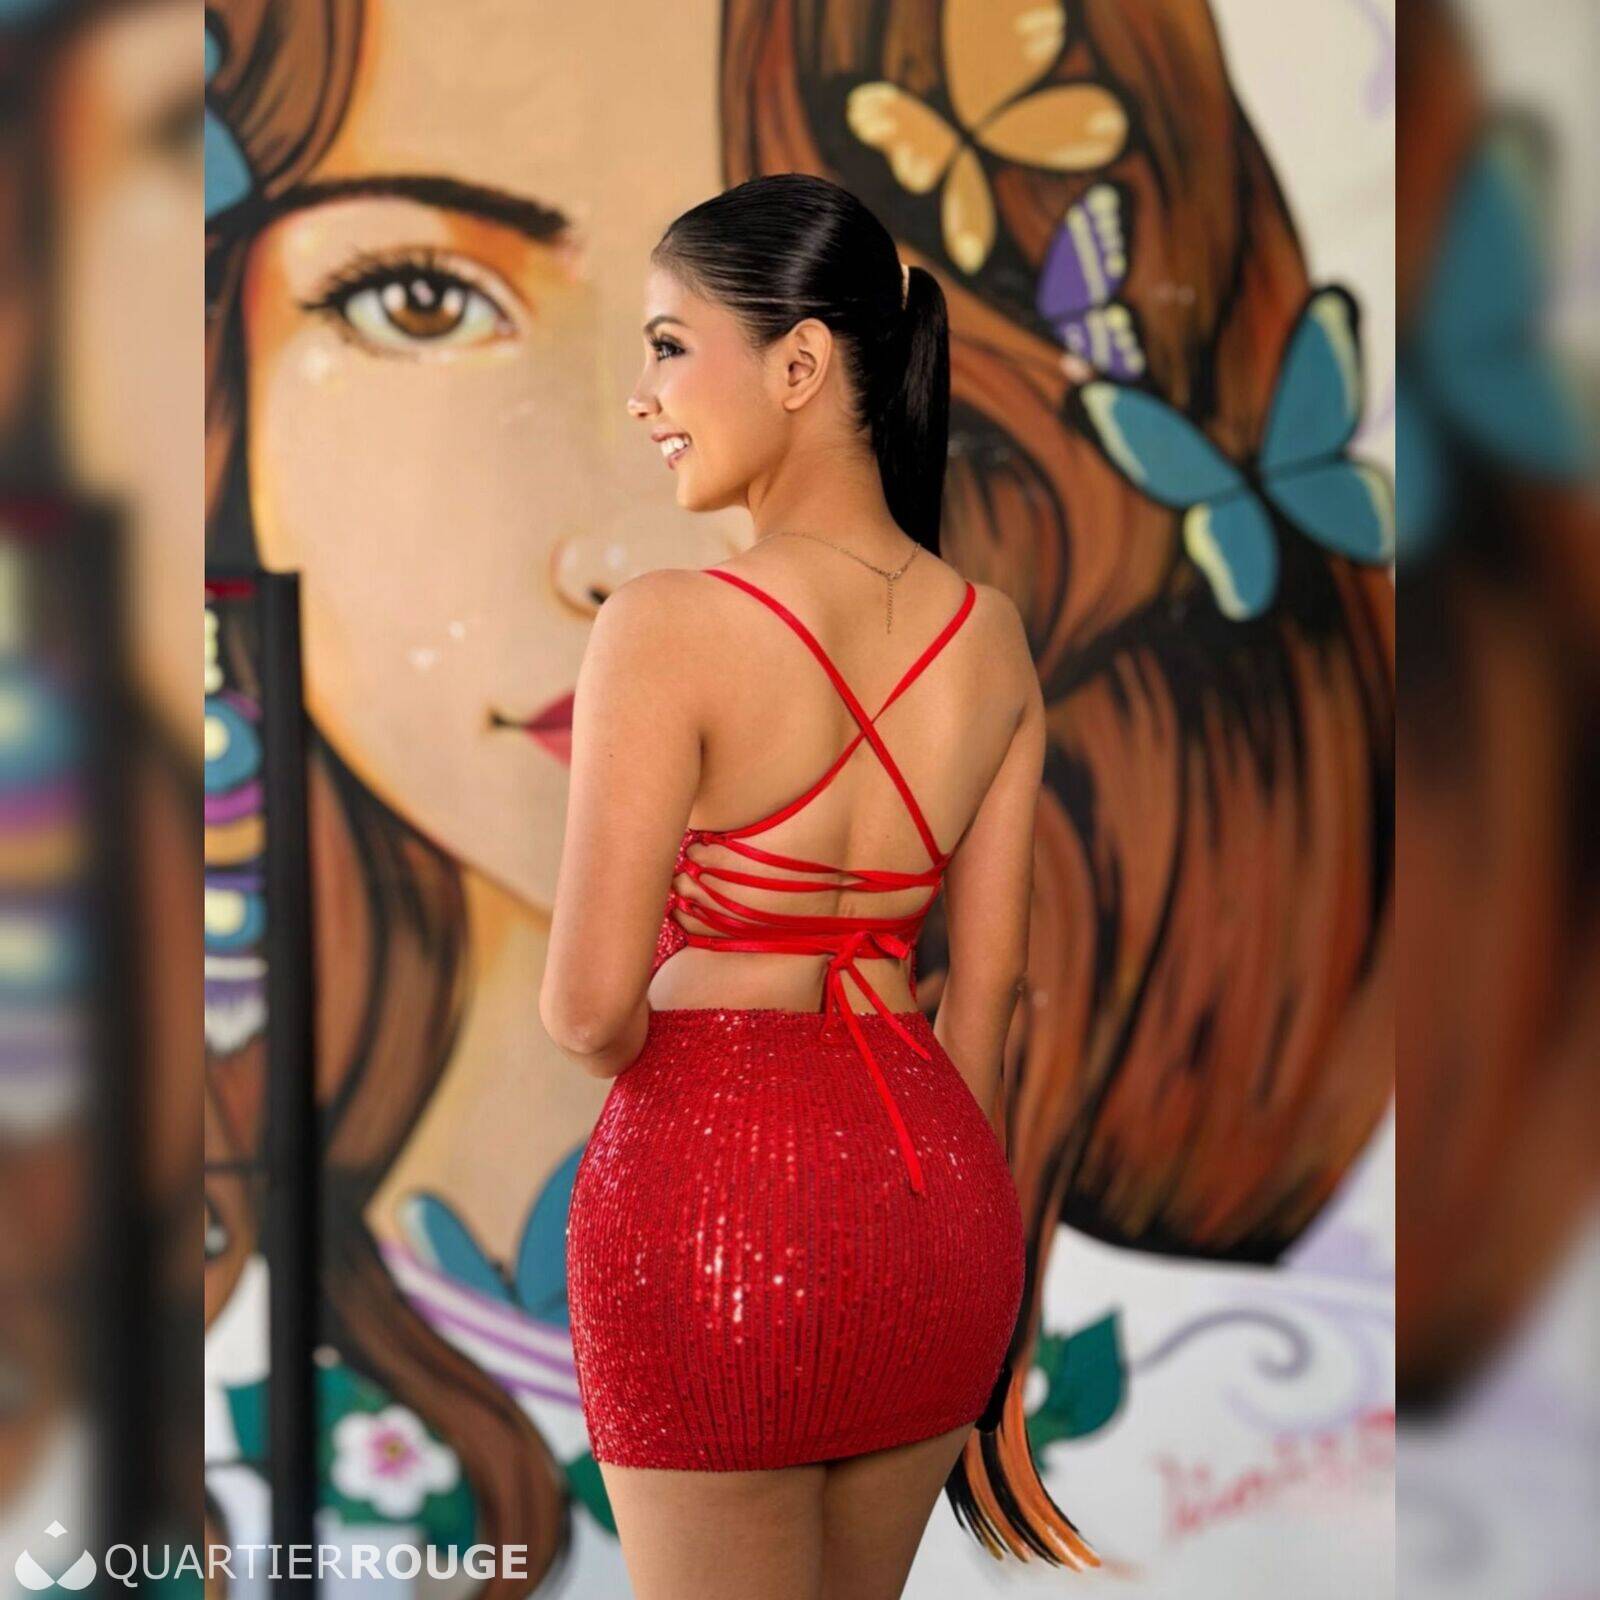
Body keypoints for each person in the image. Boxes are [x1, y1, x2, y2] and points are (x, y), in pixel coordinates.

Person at [545, 172, 1096, 1599]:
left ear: (800, 363)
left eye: (670, 345)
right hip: (936, 1210)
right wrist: (914, 1195)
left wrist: (702, 1073)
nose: (642, 397)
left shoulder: (664, 623)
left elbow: (587, 1012)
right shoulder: (994, 639)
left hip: (713, 1205)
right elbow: (988, 998)